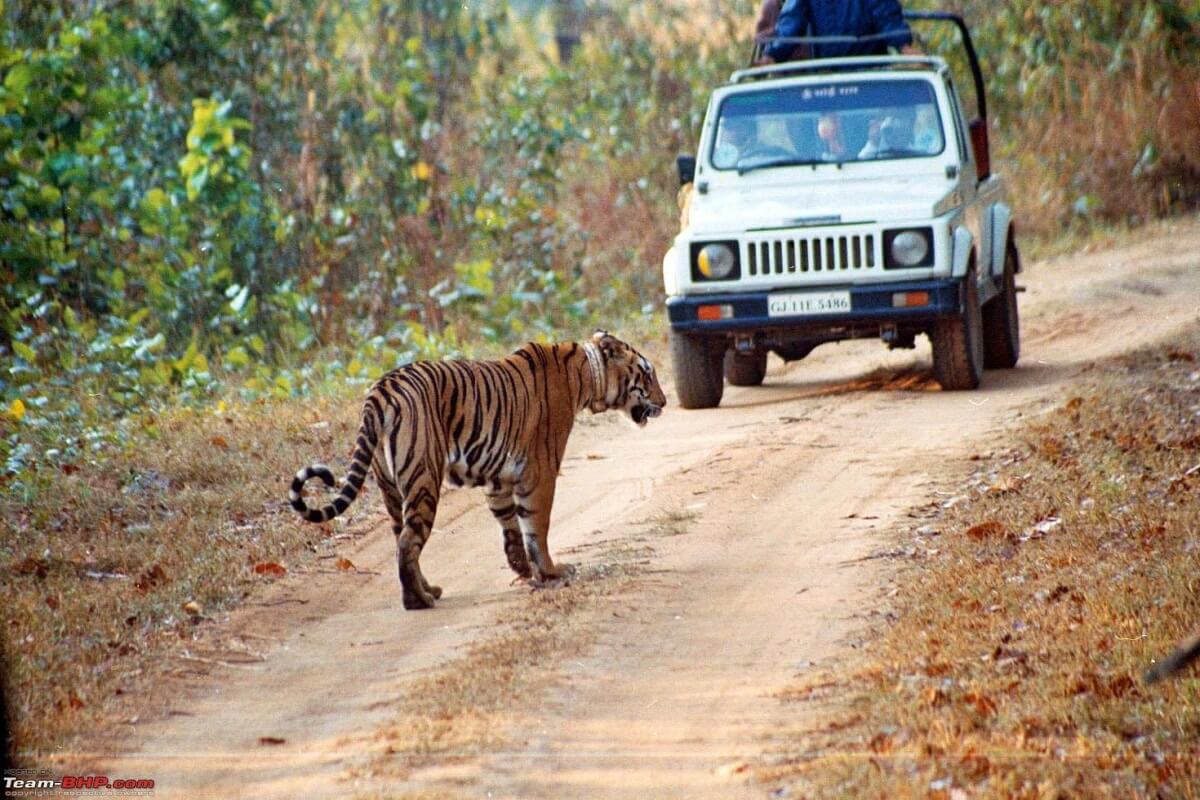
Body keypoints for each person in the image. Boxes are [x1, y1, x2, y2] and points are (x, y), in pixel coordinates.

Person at [762, 0, 917, 63]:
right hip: (827, 72)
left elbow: (886, 14)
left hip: (868, 68)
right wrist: (773, 55)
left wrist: (903, 46)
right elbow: (792, 21)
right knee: (826, 130)